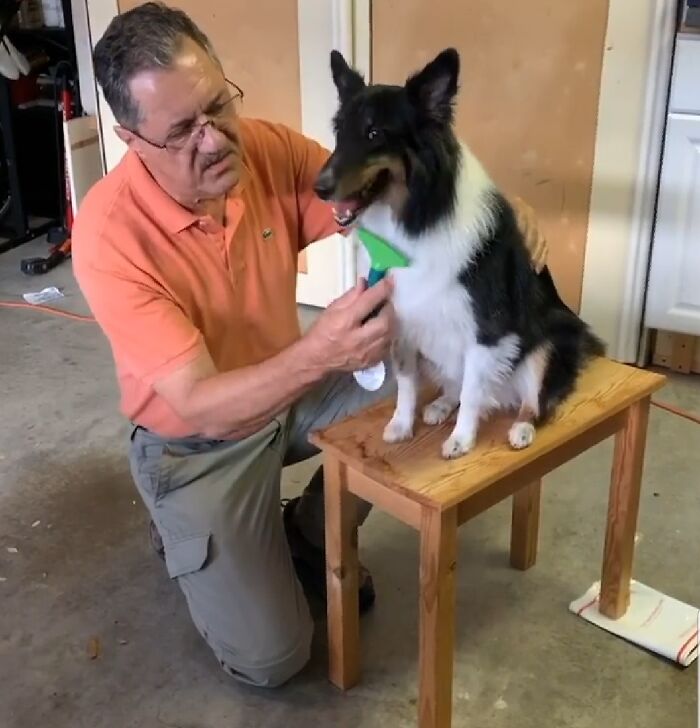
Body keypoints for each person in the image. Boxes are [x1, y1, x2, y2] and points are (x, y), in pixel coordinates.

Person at [72, 2, 549, 688]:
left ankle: (307, 532)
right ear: (130, 139)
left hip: (290, 396)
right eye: (181, 130)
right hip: (197, 443)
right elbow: (200, 403)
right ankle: (186, 529)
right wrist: (321, 354)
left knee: (417, 378)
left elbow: (384, 203)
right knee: (275, 659)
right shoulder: (109, 237)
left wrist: (496, 215)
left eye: (217, 106)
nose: (214, 141)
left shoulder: (260, 148)